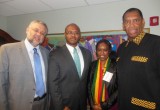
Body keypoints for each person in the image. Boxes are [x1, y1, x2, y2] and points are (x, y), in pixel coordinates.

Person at [0, 20, 49, 110]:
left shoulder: (47, 53)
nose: (39, 34)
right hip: (19, 105)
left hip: (44, 103)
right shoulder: (7, 50)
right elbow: (1, 83)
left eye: (42, 33)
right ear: (27, 30)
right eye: (36, 30)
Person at [117, 8, 160, 110]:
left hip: (147, 106)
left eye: (136, 20)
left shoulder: (156, 43)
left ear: (143, 22)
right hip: (123, 104)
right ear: (123, 25)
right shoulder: (122, 47)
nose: (131, 25)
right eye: (127, 22)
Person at [48, 23, 92, 110]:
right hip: (65, 104)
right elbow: (53, 83)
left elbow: (87, 80)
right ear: (65, 34)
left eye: (76, 32)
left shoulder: (87, 53)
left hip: (82, 103)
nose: (73, 35)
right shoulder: (55, 55)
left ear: (79, 35)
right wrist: (60, 106)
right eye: (70, 32)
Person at [88, 39, 118, 110]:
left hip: (110, 105)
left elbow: (119, 89)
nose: (102, 53)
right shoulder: (92, 65)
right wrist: (92, 104)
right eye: (99, 50)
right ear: (96, 51)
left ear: (109, 51)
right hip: (94, 105)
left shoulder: (115, 66)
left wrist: (105, 105)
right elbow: (88, 85)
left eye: (105, 50)